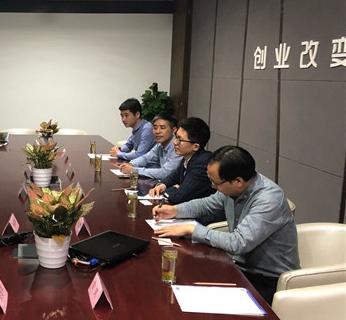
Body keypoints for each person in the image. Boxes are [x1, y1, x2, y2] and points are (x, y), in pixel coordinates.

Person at [153, 146, 300, 304]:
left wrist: (193, 229)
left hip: (268, 280)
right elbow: (207, 204)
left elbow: (238, 243)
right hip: (239, 267)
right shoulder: (234, 188)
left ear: (238, 181)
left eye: (216, 183)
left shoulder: (268, 199)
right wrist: (175, 210)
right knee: (185, 282)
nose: (213, 187)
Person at [148, 117, 214, 204]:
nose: (175, 142)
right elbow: (172, 178)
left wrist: (173, 189)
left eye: (180, 139)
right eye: (176, 137)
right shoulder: (187, 157)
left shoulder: (202, 163)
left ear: (195, 146)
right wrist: (161, 185)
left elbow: (179, 197)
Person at [118, 113, 183, 179]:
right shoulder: (159, 145)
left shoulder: (178, 147)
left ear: (174, 130)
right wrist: (131, 164)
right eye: (155, 128)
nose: (157, 131)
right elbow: (146, 158)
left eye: (162, 128)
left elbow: (165, 173)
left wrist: (134, 170)